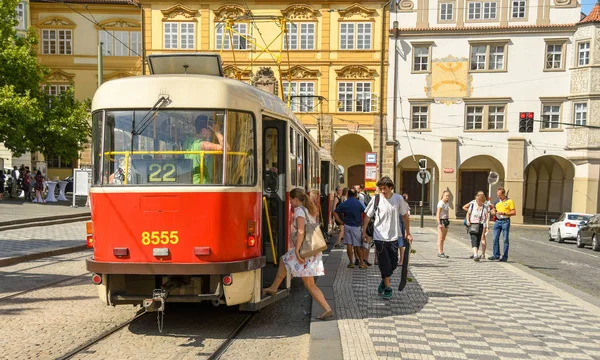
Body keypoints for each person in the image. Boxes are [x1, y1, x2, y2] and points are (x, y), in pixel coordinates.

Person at [263, 188, 333, 320]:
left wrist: (297, 250)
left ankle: (327, 308)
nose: (290, 202)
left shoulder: (299, 211)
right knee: (284, 260)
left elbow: (301, 231)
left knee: (310, 284)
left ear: (295, 199)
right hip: (311, 251)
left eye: (291, 200)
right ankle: (274, 287)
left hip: (305, 252)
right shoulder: (308, 209)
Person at [362, 176, 412, 300]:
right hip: (379, 237)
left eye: (385, 188)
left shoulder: (398, 199)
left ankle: (384, 281)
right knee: (384, 262)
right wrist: (364, 232)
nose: (382, 191)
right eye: (381, 189)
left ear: (391, 188)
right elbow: (368, 216)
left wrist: (408, 232)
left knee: (393, 263)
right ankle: (388, 288)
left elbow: (405, 216)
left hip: (394, 236)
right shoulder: (376, 199)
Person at [184, 114, 225, 184]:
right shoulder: (203, 145)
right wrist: (217, 131)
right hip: (202, 183)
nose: (212, 134)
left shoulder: (187, 142)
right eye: (211, 131)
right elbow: (226, 148)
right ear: (204, 131)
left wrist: (207, 137)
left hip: (190, 181)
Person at [333, 188, 367, 269]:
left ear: (348, 195)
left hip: (347, 226)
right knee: (358, 245)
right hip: (356, 226)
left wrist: (340, 221)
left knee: (349, 244)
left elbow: (334, 212)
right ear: (356, 195)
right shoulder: (358, 203)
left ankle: (351, 263)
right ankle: (361, 263)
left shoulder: (345, 203)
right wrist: (364, 223)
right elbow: (365, 212)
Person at [462, 191, 493, 259]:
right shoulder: (473, 204)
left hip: (481, 225)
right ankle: (476, 254)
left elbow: (487, 216)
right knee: (474, 238)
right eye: (477, 200)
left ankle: (477, 253)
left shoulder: (485, 207)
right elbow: (468, 213)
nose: (478, 202)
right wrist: (468, 220)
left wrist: (487, 226)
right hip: (473, 224)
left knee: (479, 239)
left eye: (479, 201)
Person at [489, 187, 515, 262]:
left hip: (505, 221)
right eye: (498, 195)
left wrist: (504, 213)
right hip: (497, 221)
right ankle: (496, 255)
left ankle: (505, 256)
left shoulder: (510, 201)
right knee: (495, 238)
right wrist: (493, 212)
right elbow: (493, 210)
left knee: (505, 239)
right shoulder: (497, 201)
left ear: (504, 194)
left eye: (500, 195)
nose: (498, 196)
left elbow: (513, 212)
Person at [436, 191, 451, 258]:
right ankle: (440, 252)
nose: (447, 197)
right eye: (446, 195)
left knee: (443, 238)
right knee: (440, 238)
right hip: (441, 220)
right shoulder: (441, 203)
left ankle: (441, 251)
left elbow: (447, 212)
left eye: (448, 196)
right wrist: (439, 223)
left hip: (446, 220)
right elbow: (438, 213)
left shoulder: (447, 203)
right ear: (443, 196)